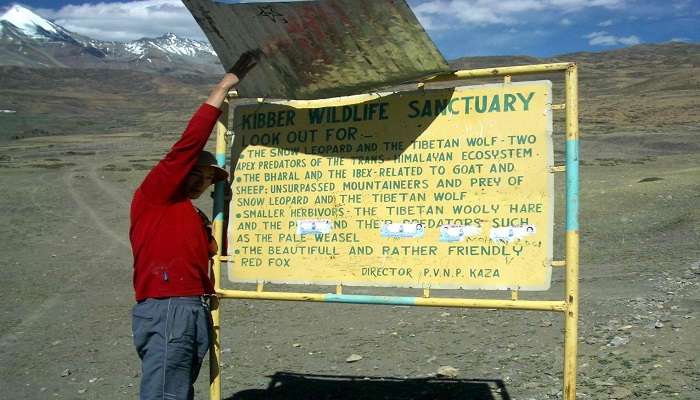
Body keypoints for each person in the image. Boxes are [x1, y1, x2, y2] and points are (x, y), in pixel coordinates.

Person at [129, 52, 258, 400]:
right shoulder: (156, 195)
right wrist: (222, 88)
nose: (202, 183)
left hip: (191, 307)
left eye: (208, 179)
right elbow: (188, 146)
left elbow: (217, 250)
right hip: (169, 305)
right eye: (197, 174)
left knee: (178, 388)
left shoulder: (191, 216)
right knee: (166, 393)